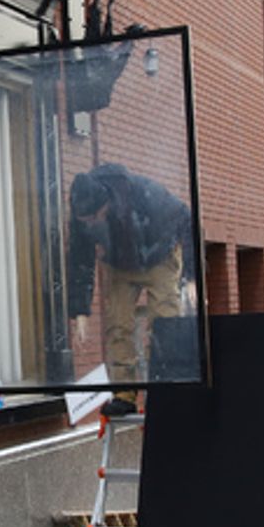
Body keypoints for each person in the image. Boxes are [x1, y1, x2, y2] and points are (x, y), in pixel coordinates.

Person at [66, 163, 195, 416]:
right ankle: (124, 394)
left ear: (106, 204)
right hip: (119, 263)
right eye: (85, 221)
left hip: (159, 254)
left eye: (94, 218)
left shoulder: (145, 194)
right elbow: (80, 259)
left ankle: (161, 389)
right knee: (117, 324)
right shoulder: (81, 216)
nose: (90, 225)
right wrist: (80, 309)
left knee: (164, 321)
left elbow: (186, 219)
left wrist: (190, 276)